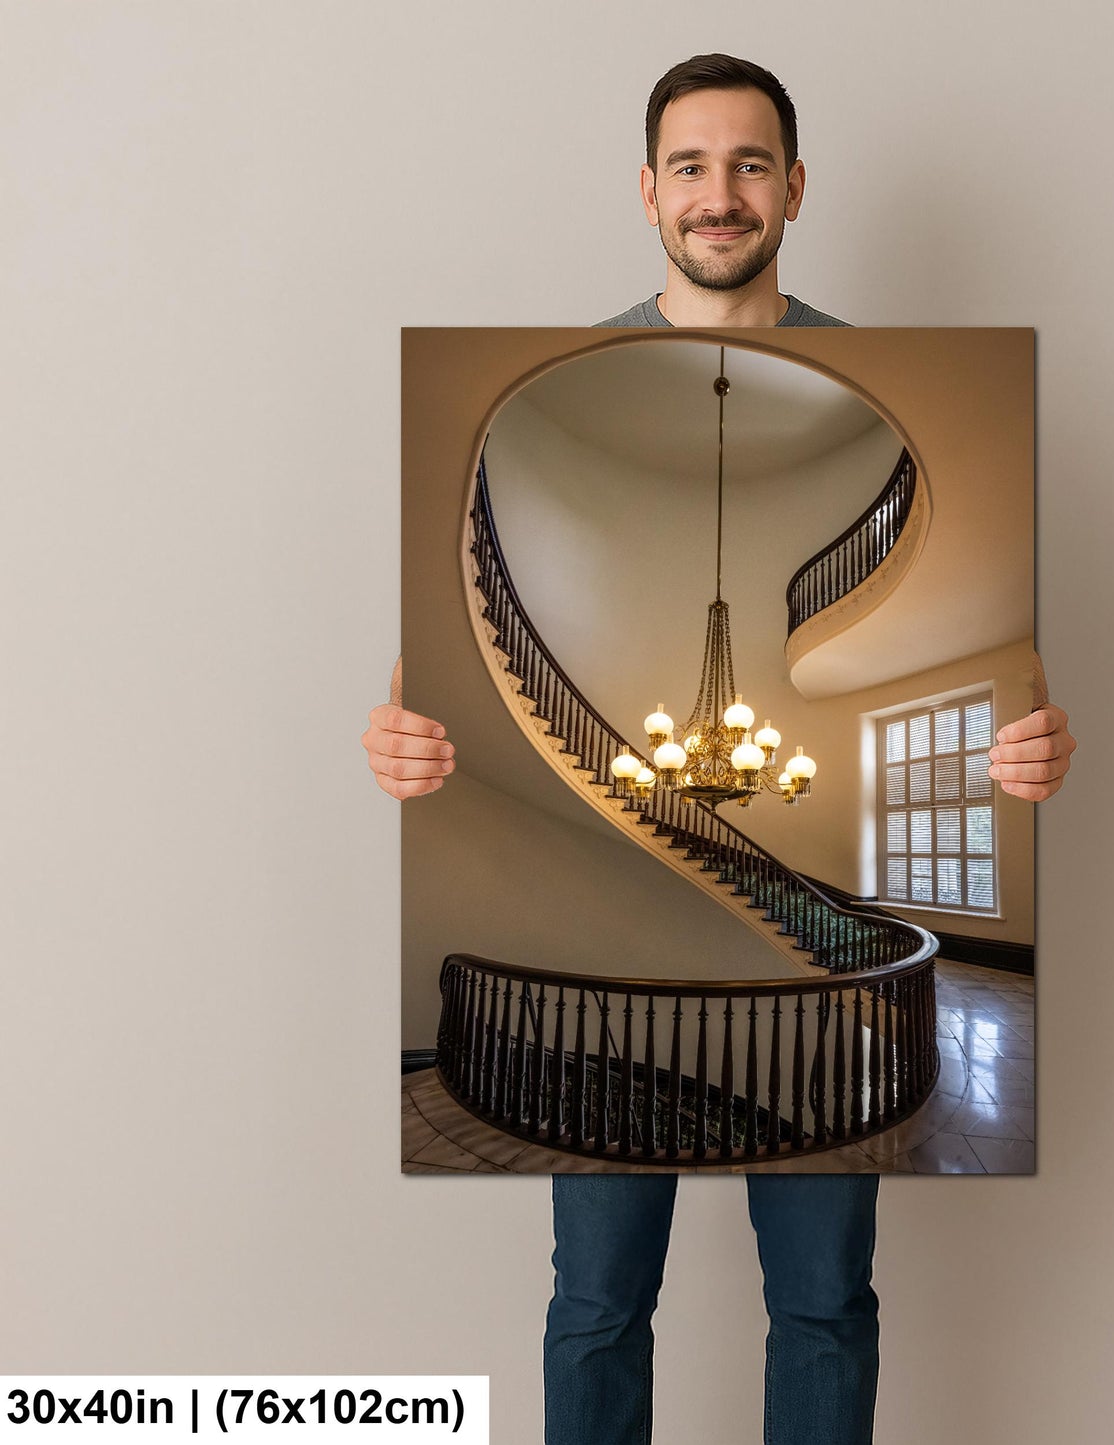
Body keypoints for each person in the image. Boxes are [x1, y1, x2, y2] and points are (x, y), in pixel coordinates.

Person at [363, 54, 1077, 1445]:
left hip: (799, 1029)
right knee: (594, 1303)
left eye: (750, 163)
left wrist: (1038, 755)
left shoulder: (882, 373)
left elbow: (1032, 697)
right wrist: (397, 743)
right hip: (624, 986)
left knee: (823, 1305)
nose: (719, 193)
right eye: (688, 165)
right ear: (646, 191)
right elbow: (410, 686)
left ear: (795, 187)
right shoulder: (552, 375)